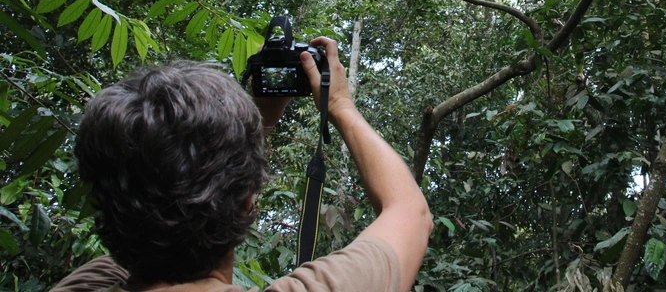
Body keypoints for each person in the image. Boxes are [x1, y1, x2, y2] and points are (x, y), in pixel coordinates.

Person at [51, 37, 432, 292]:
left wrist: (253, 123)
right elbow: (410, 212)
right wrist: (340, 107)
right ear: (248, 202)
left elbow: (146, 203)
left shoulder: (89, 284)